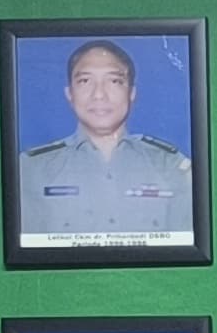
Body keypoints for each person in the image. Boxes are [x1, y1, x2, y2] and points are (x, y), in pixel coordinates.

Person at [16, 38, 195, 248]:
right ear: (69, 94)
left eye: (114, 81)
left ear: (132, 93)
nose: (99, 95)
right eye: (85, 81)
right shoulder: (29, 170)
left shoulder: (172, 167)